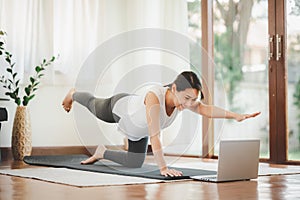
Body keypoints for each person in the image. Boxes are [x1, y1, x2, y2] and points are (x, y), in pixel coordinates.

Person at [62, 71, 260, 177]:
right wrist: (163, 167)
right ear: (174, 88)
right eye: (187, 98)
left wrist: (235, 115)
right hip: (119, 109)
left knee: (134, 163)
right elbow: (155, 136)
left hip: (137, 129)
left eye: (193, 99)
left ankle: (101, 152)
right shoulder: (154, 98)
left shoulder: (183, 101)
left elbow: (205, 109)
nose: (190, 104)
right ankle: (73, 94)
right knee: (93, 104)